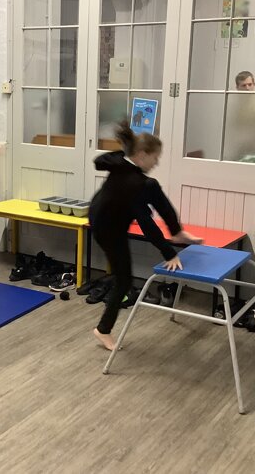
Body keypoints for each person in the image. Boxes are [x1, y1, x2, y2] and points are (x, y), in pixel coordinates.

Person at [89, 120, 203, 351]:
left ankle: (177, 232)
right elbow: (147, 225)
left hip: (103, 219)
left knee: (152, 187)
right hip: (108, 230)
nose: (157, 162)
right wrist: (169, 253)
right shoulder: (133, 183)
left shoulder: (126, 168)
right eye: (155, 158)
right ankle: (103, 330)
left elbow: (104, 160)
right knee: (124, 281)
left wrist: (172, 238)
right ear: (142, 155)